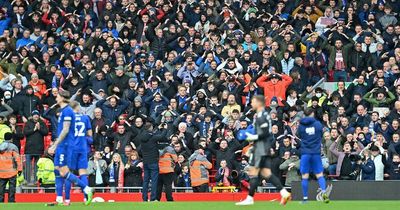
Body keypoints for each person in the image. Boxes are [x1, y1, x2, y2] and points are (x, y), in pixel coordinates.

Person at [236, 95, 291, 206]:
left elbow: (264, 134)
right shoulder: (262, 115)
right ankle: (284, 192)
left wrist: (248, 136)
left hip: (260, 149)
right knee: (266, 173)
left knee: (253, 173)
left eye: (253, 102)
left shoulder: (262, 116)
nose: (251, 104)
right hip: (263, 148)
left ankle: (250, 198)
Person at [47, 90, 93, 206]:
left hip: (66, 145)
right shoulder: (64, 111)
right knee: (57, 168)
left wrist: (55, 144)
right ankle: (59, 199)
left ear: (62, 98)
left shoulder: (67, 111)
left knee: (64, 171)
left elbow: (66, 129)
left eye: (57, 96)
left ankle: (86, 189)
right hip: (70, 145)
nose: (55, 98)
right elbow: (90, 135)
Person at [297, 108, 330, 203]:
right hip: (316, 152)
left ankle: (305, 199)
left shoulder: (301, 125)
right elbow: (321, 134)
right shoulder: (318, 124)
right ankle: (324, 192)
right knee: (319, 174)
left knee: (305, 176)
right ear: (312, 114)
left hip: (305, 153)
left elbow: (300, 136)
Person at [64, 101, 93, 204]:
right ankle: (86, 198)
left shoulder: (69, 118)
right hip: (83, 148)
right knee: (83, 173)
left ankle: (67, 199)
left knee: (68, 173)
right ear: (77, 108)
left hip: (71, 148)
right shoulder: (85, 118)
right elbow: (90, 135)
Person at [136, 122, 168, 201]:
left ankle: (144, 198)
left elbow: (150, 134)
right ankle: (153, 198)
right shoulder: (153, 137)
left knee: (145, 181)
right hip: (153, 161)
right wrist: (165, 129)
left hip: (145, 162)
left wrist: (157, 129)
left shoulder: (142, 136)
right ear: (151, 128)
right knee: (154, 181)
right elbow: (161, 136)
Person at [0, 133, 22, 203]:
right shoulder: (13, 147)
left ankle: (1, 201)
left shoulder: (0, 146)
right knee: (12, 187)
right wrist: (20, 169)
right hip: (12, 171)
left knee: (1, 188)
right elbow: (17, 159)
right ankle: (11, 201)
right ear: (11, 138)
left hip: (1, 172)